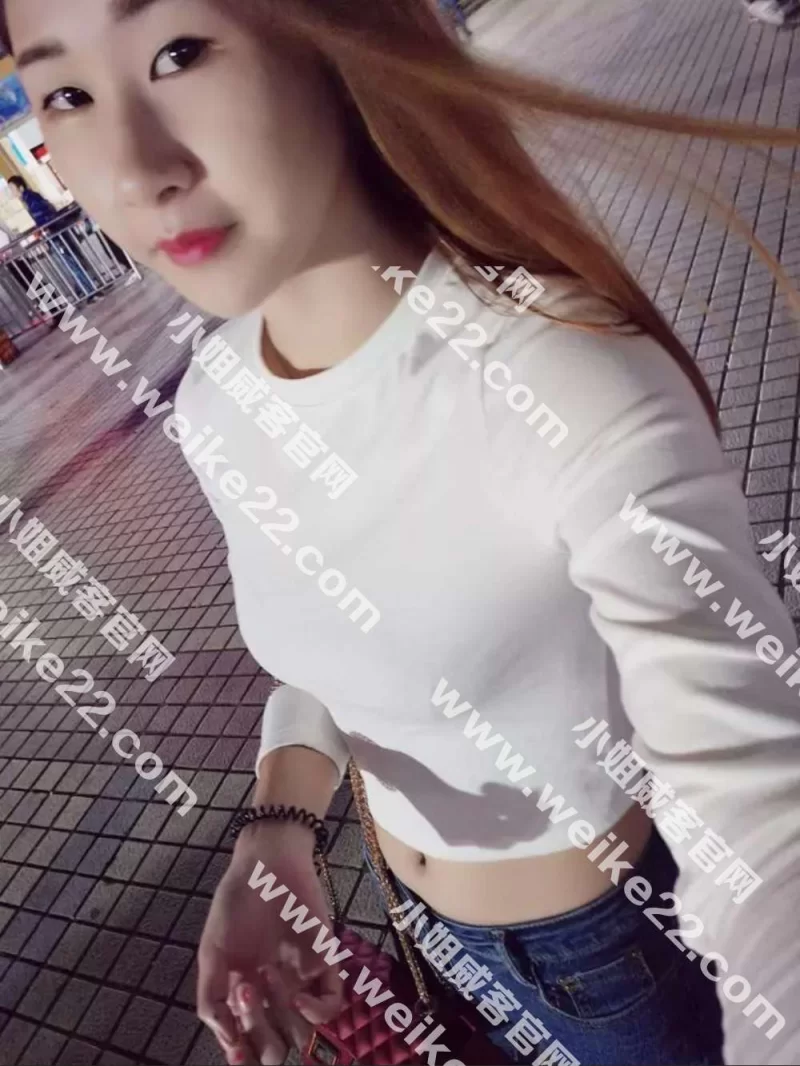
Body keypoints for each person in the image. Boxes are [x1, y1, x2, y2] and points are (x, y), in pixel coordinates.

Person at [5, 2, 800, 1065]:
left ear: (335, 38)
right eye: (67, 94)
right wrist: (279, 837)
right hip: (430, 928)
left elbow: (760, 812)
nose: (134, 169)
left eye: (178, 53)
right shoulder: (217, 395)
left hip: (616, 957)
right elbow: (334, 651)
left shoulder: (564, 377)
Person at [7, 173, 94, 297]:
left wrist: (43, 230)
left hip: (55, 234)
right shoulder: (31, 198)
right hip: (56, 232)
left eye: (12, 188)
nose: (11, 192)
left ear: (20, 188)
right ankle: (83, 288)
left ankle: (90, 291)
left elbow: (44, 218)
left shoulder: (31, 200)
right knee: (71, 261)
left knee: (71, 263)